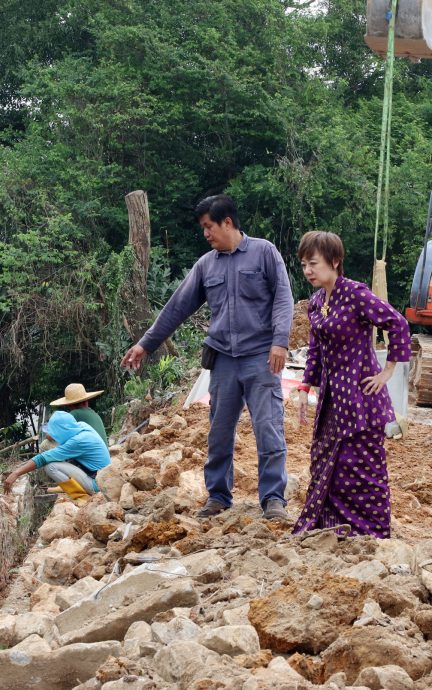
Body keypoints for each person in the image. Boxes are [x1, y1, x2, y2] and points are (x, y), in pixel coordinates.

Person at [121, 194, 294, 520]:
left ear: (227, 222)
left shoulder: (264, 253)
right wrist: (146, 344)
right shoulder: (207, 265)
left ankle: (273, 500)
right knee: (218, 432)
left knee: (268, 428)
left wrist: (280, 342)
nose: (205, 234)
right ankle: (218, 497)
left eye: (208, 226)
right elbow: (177, 308)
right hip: (224, 360)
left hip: (261, 357)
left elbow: (284, 298)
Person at [293, 231, 412, 538]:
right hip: (333, 402)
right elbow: (316, 349)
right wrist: (306, 388)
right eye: (304, 264)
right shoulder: (316, 303)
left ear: (334, 261)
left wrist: (387, 372)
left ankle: (370, 533)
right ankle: (329, 528)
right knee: (325, 465)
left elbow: (396, 322)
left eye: (313, 263)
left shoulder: (356, 294)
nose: (308, 270)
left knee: (361, 468)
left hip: (361, 399)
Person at [2, 410, 110, 502]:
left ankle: (81, 497)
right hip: (103, 478)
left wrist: (16, 473)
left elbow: (42, 458)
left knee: (51, 466)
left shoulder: (77, 442)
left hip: (98, 485)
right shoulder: (81, 426)